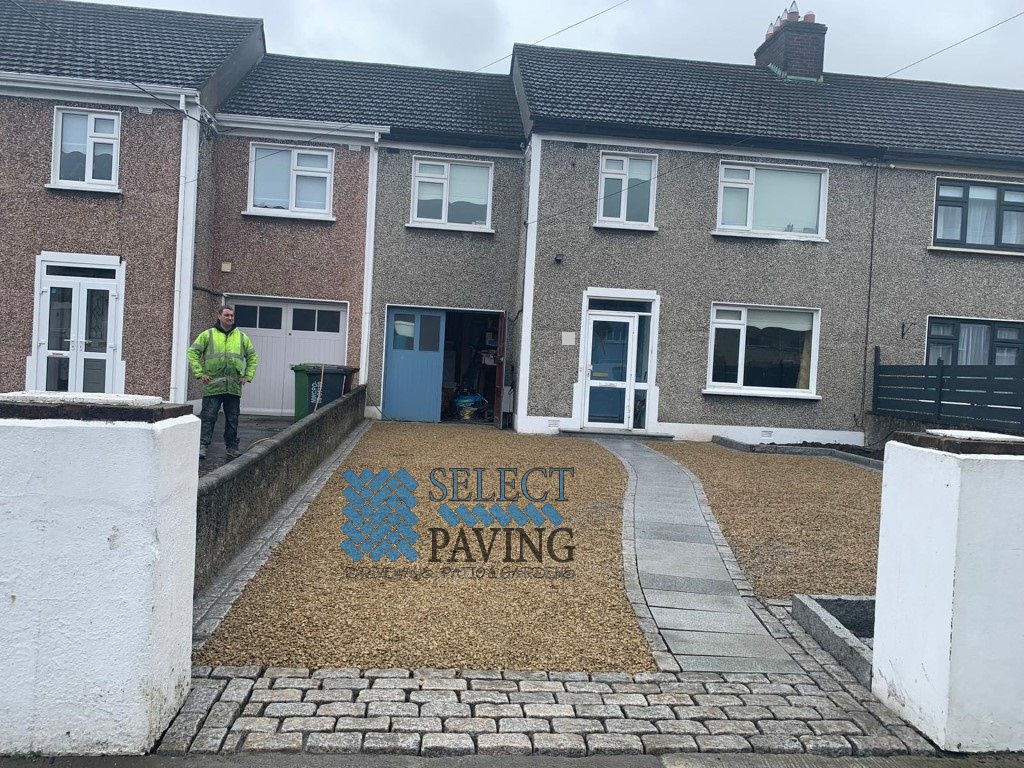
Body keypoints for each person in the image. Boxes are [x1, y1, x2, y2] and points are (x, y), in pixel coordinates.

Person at [187, 305, 259, 461]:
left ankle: (232, 448)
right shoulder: (208, 335)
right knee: (208, 417)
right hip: (213, 386)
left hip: (233, 386)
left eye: (232, 316)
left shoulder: (241, 337)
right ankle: (202, 447)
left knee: (233, 419)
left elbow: (253, 357)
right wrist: (200, 374)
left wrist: (247, 376)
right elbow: (192, 352)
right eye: (227, 315)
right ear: (219, 316)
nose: (230, 318)